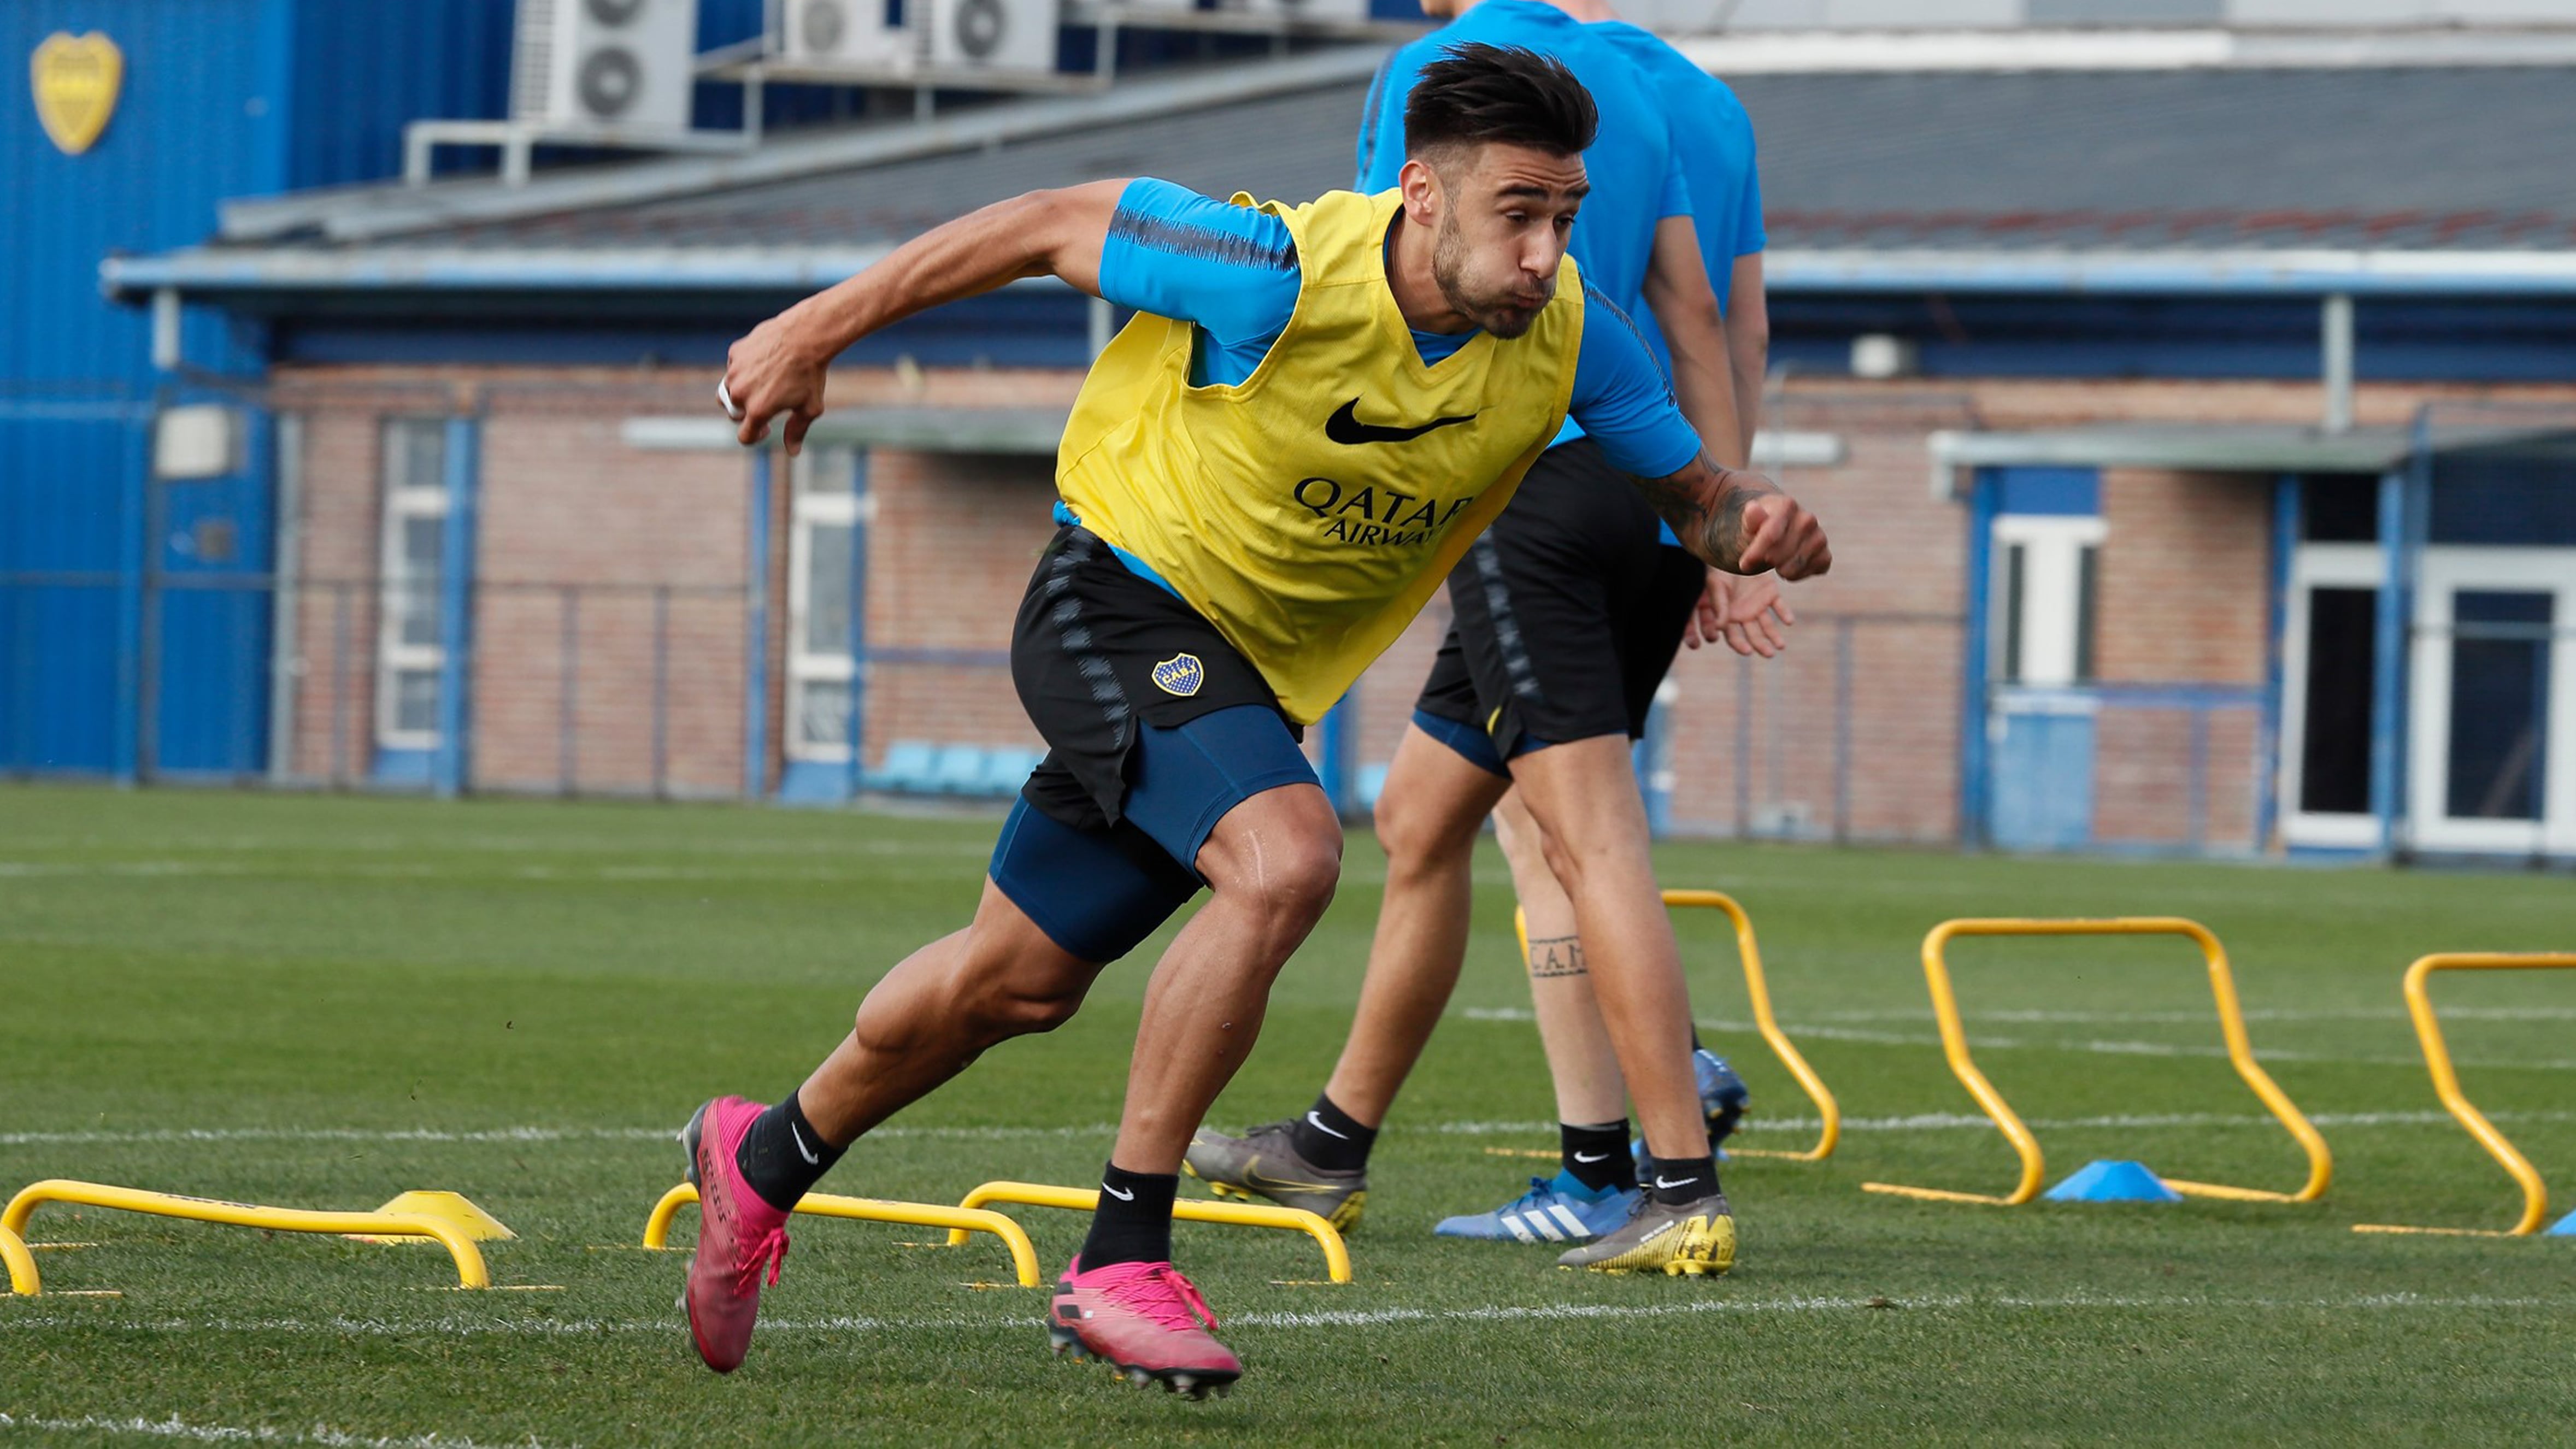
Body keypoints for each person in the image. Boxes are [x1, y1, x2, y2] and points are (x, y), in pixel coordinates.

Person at [693, 43, 1829, 1397]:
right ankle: (1120, 1259)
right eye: (1518, 213)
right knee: (1289, 855)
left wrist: (1748, 523)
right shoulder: (1267, 268)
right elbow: (1045, 223)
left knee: (1017, 983)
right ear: (1422, 196)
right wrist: (813, 328)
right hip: (1111, 598)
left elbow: (1689, 489)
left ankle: (758, 1160)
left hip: (1244, 681)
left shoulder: (1573, 334)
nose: (1545, 252)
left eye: (1565, 217)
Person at [1183, 0, 1788, 1268]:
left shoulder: (1444, 78)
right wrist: (1716, 522)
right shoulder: (1688, 101)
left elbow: (1364, 285)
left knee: (1575, 832)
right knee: (1421, 815)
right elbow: (1714, 323)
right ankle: (1327, 1145)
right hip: (1655, 485)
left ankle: (1652, 1180)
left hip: (1537, 471)